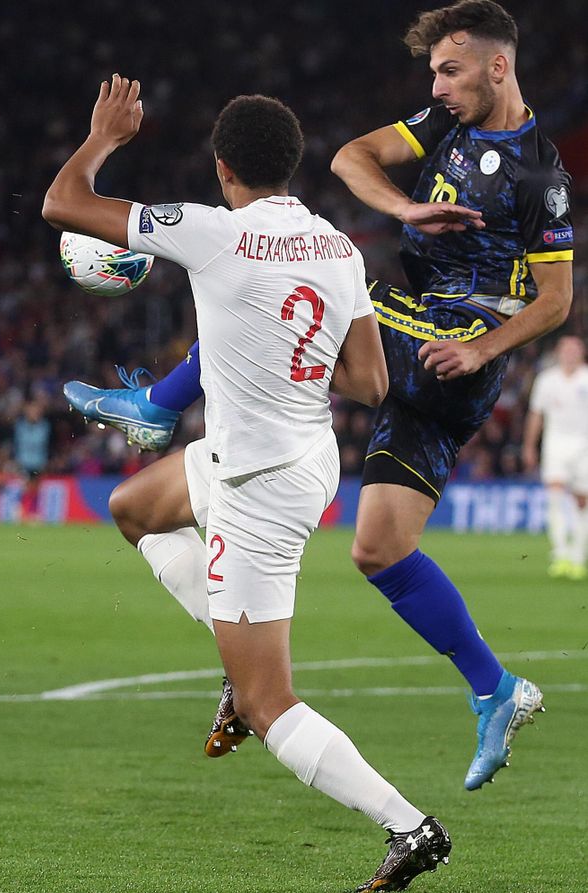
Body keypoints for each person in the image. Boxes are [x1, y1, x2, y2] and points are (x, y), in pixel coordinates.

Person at [64, 0, 567, 792]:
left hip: (453, 340)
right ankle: (496, 688)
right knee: (380, 549)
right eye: (432, 71)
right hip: (424, 369)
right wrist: (405, 206)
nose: (435, 85)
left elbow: (557, 299)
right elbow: (349, 158)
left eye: (449, 69)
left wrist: (482, 346)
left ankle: (159, 402)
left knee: (293, 268)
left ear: (497, 66)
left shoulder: (541, 172)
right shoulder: (445, 124)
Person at [44, 77, 451, 891]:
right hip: (305, 455)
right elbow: (370, 382)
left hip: (257, 483)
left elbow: (64, 203)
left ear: (223, 168)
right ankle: (233, 657)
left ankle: (411, 827)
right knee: (134, 507)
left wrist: (105, 138)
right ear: (293, 166)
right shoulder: (338, 247)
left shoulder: (210, 231)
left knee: (270, 707)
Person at [522, 335, 588, 580]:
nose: (570, 353)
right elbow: (536, 415)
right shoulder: (547, 380)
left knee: (582, 503)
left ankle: (577, 556)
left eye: (574, 349)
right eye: (566, 349)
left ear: (581, 353)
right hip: (555, 445)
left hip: (584, 447)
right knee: (555, 497)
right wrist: (529, 446)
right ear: (558, 353)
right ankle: (560, 554)